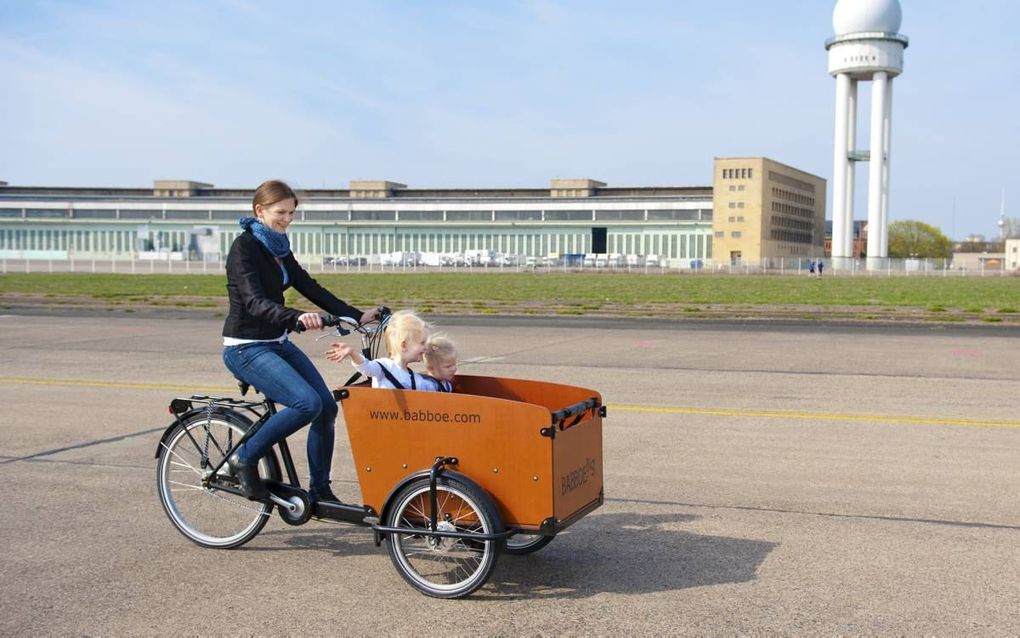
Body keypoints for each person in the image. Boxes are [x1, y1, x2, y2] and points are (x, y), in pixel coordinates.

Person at [222, 179, 377, 503]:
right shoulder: (244, 248)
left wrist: (356, 316)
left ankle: (319, 491)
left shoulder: (279, 247)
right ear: (259, 211)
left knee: (325, 408)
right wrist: (295, 317)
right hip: (245, 346)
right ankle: (244, 458)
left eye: (292, 213)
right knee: (306, 403)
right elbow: (253, 301)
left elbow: (310, 286)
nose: (288, 219)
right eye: (281, 212)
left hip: (276, 341)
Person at [325, 310, 433, 390]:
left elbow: (432, 388)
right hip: (382, 417)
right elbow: (366, 367)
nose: (426, 347)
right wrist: (352, 353)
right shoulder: (385, 366)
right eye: (422, 343)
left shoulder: (414, 378)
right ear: (404, 345)